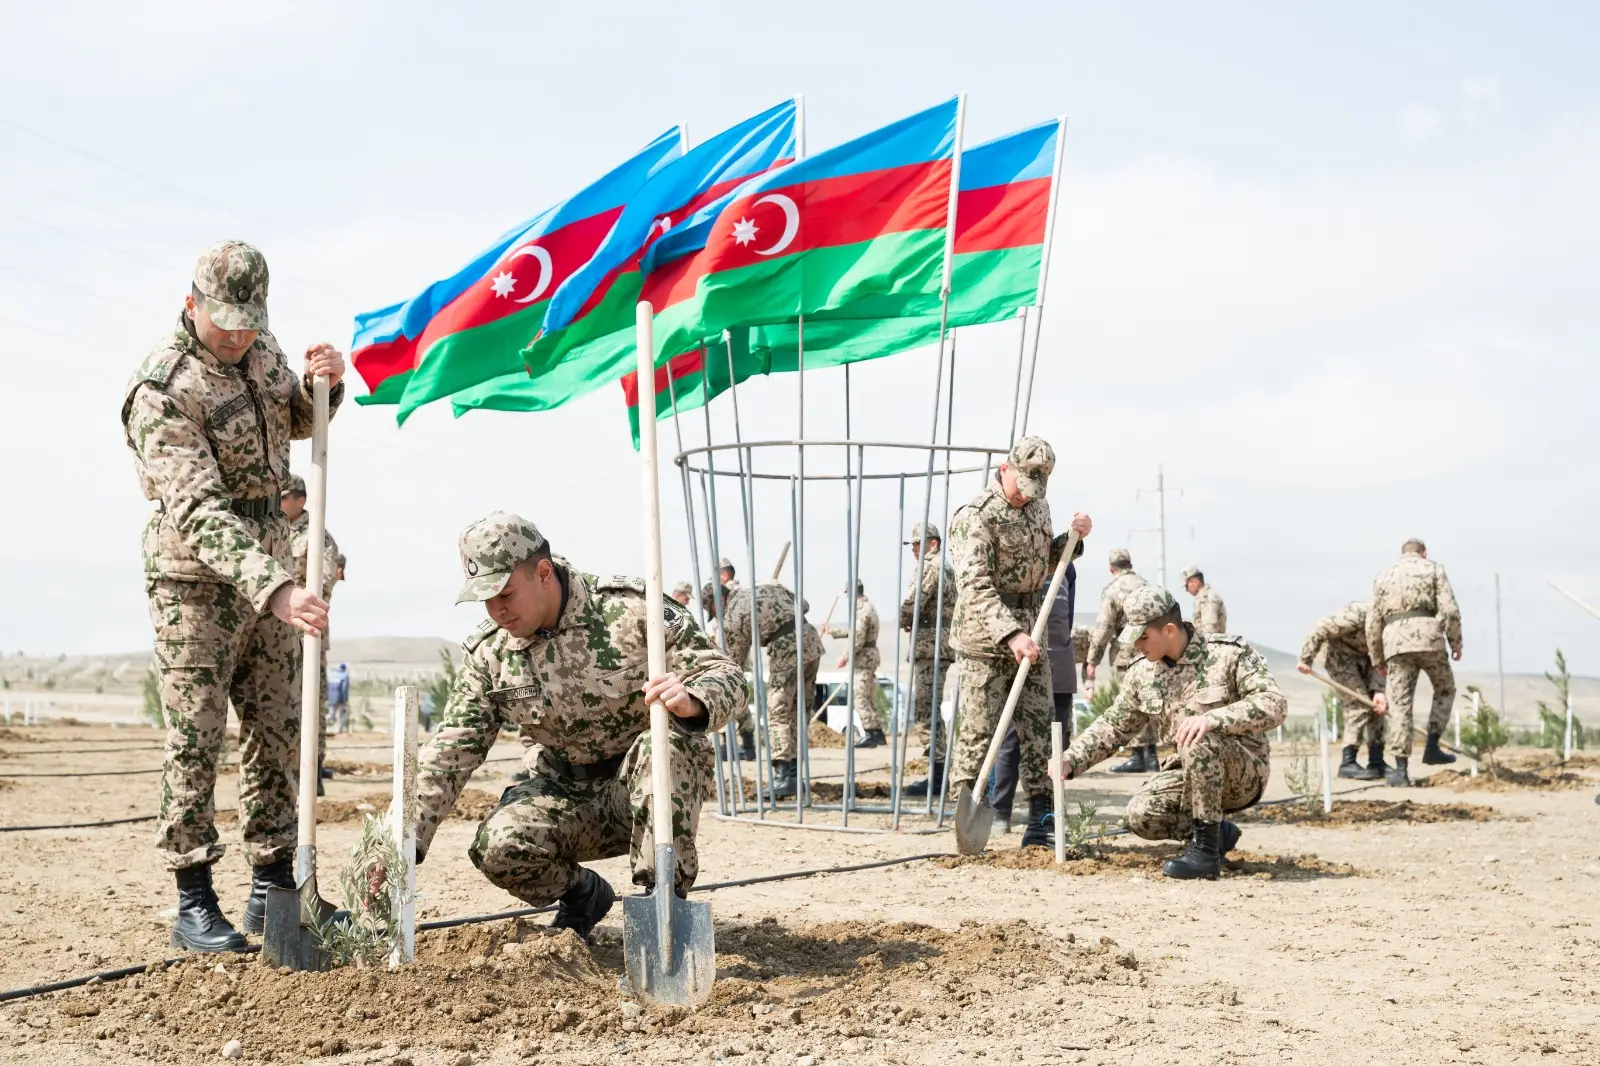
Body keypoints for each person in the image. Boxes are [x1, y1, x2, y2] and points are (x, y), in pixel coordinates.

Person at [122, 240, 345, 952]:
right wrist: (273, 587)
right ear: (192, 305)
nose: (240, 336)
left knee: (276, 730)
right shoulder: (162, 389)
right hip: (197, 585)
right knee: (195, 738)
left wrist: (325, 388)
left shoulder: (261, 349)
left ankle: (272, 886)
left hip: (272, 574)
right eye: (227, 324)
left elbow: (296, 421)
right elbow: (198, 509)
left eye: (251, 322)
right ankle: (194, 900)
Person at [413, 513, 746, 939]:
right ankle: (583, 896)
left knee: (663, 745)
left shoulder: (629, 613)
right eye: (485, 600)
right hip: (567, 796)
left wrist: (693, 699)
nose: (497, 610)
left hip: (646, 789)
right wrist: (405, 838)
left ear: (544, 573)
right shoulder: (492, 654)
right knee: (498, 846)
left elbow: (727, 675)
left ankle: (663, 907)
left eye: (505, 593)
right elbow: (449, 752)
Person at [1054, 587, 1286, 880]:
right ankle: (1218, 833)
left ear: (1170, 629)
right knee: (1141, 814)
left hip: (1243, 771)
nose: (1137, 646)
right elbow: (1114, 725)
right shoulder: (1142, 674)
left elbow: (1274, 704)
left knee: (1199, 738)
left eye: (1143, 637)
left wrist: (1214, 719)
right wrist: (1070, 760)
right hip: (1191, 772)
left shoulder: (1227, 654)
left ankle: (1204, 853)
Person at [947, 436, 1092, 848]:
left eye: (1037, 488)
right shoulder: (975, 516)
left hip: (1032, 633)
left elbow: (1043, 558)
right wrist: (1009, 633)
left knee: (1041, 727)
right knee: (978, 732)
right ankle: (967, 815)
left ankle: (1042, 819)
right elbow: (973, 585)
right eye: (1023, 485)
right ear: (1004, 469)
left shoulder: (1037, 506)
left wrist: (1072, 540)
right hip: (985, 639)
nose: (1028, 496)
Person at [1366, 538, 1462, 786]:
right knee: (1445, 688)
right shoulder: (1433, 569)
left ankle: (1400, 770)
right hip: (1430, 641)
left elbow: (1373, 622)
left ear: (1402, 555)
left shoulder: (1383, 576)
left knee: (1399, 705)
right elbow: (1449, 610)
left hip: (1396, 644)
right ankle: (1432, 747)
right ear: (1424, 553)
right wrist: (1456, 643)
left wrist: (1377, 657)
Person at [991, 556, 1077, 832]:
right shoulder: (1018, 563)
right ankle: (1000, 812)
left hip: (1059, 663)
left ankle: (1044, 816)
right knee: (1011, 740)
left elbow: (1068, 615)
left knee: (1054, 746)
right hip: (1025, 662)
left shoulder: (1067, 566)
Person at [721, 580, 821, 799]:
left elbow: (734, 663)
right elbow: (803, 604)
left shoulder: (732, 614)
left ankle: (783, 775)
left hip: (787, 648)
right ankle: (794, 775)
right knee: (798, 712)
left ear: (719, 600)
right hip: (810, 640)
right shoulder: (763, 586)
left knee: (778, 711)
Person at [283, 473, 342, 795]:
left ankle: (312, 769)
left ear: (300, 499)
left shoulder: (318, 537)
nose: (278, 504)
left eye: (283, 498)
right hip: (273, 631)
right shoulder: (273, 532)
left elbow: (324, 583)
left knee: (311, 699)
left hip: (306, 630)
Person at [1298, 601, 1390, 780]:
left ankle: (1376, 761)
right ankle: (1348, 763)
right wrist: (1305, 658)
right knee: (1358, 704)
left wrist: (1379, 690)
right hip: (1337, 654)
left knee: (1376, 705)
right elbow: (1320, 627)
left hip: (1367, 659)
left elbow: (1382, 662)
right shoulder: (1357, 615)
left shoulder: (1393, 630)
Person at [899, 521, 956, 799]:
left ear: (932, 544)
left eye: (918, 543)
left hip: (930, 645)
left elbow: (913, 600)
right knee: (929, 707)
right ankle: (939, 771)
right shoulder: (945, 566)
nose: (913, 549)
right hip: (936, 643)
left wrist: (904, 618)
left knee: (925, 709)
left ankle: (938, 774)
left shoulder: (931, 566)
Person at [1085, 548, 1153, 773]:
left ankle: (1137, 756)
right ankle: (1152, 756)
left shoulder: (1113, 590)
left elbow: (1103, 628)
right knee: (1151, 698)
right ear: (1129, 563)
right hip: (1152, 649)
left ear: (1111, 568)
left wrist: (1092, 661)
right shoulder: (1146, 585)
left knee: (1131, 702)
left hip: (1127, 651)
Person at [828, 581, 884, 749]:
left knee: (860, 698)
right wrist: (832, 631)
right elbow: (854, 631)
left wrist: (844, 657)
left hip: (864, 659)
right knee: (868, 697)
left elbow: (857, 638)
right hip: (868, 657)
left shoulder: (862, 610)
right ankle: (876, 733)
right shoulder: (866, 607)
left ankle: (871, 733)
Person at [1182, 566, 1228, 636]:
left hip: (1209, 644)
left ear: (1195, 582)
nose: (1186, 590)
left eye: (1186, 586)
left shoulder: (1207, 598)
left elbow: (1209, 630)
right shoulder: (1204, 598)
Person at [329, 662, 351, 733]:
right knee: (342, 714)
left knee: (331, 713)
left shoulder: (332, 675)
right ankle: (339, 729)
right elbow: (344, 689)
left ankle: (329, 728)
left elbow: (328, 687)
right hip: (340, 699)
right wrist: (345, 699)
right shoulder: (345, 676)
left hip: (331, 699)